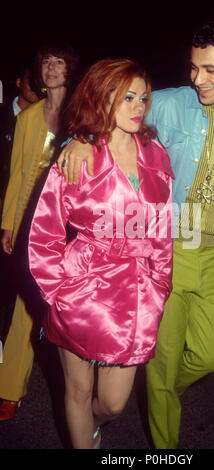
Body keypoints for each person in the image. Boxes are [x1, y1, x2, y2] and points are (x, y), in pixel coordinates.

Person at [56, 21, 214, 449]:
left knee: (209, 356)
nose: (198, 79)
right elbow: (108, 114)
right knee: (161, 368)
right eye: (194, 68)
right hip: (164, 250)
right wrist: (80, 139)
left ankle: (159, 392)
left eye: (211, 70)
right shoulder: (171, 104)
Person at [28, 58, 173, 449]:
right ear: (101, 96)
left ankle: (89, 428)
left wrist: (161, 283)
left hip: (135, 292)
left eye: (142, 97)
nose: (138, 106)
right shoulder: (78, 154)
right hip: (80, 287)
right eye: (126, 97)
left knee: (112, 403)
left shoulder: (155, 152)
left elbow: (163, 226)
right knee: (76, 391)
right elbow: (45, 231)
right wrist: (56, 290)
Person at [0, 43, 79, 421]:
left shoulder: (84, 115)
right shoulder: (28, 117)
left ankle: (80, 395)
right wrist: (8, 224)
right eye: (46, 62)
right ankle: (10, 390)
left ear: (70, 68)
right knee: (24, 307)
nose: (51, 68)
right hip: (30, 225)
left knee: (71, 312)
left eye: (58, 62)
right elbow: (17, 173)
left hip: (72, 228)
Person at [0, 65, 39, 345]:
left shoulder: (44, 119)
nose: (36, 85)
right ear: (17, 82)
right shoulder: (3, 116)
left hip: (19, 212)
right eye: (30, 79)